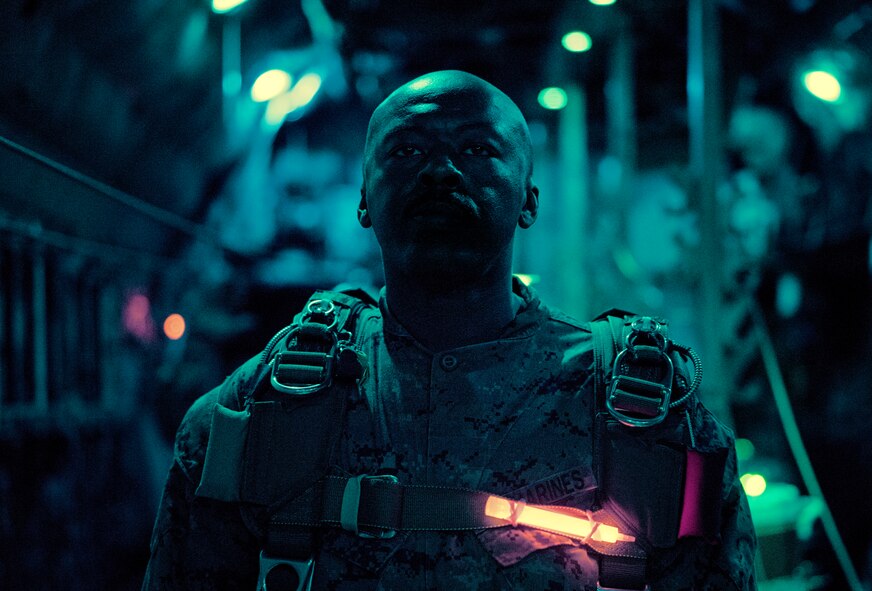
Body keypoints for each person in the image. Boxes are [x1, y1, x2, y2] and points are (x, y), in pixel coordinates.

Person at [143, 70, 756, 590]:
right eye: (406, 151)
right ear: (364, 199)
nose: (440, 171)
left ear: (528, 200)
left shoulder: (648, 421)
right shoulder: (256, 418)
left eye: (478, 150)